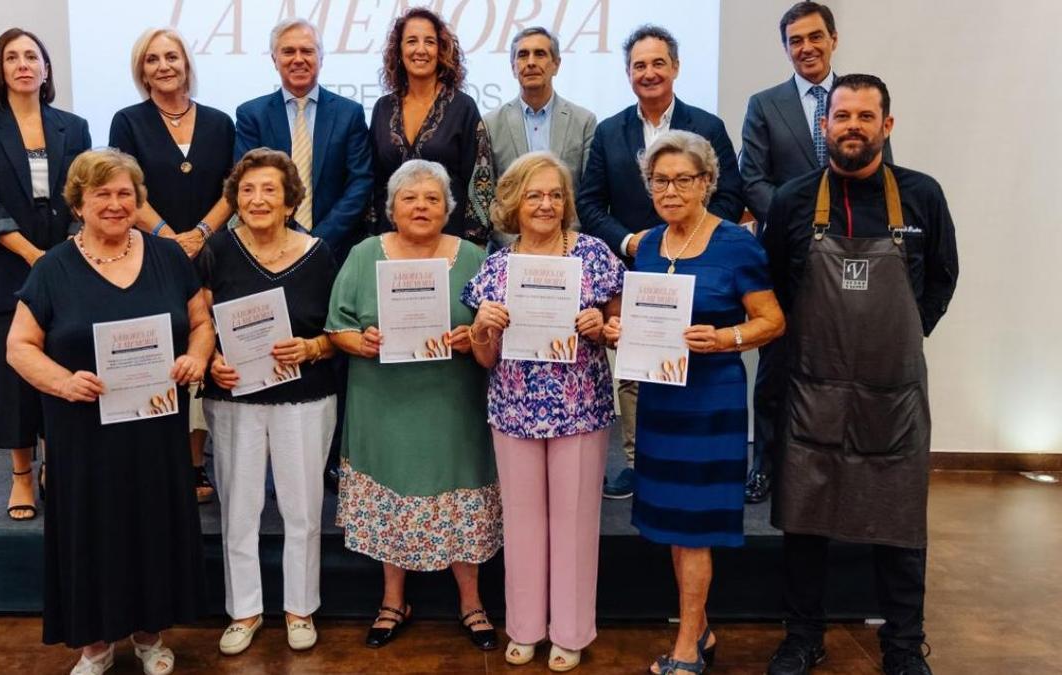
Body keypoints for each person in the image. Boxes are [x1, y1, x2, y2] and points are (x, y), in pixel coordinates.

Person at [763, 74, 957, 675]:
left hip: (891, 395)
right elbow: (776, 286)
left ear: (886, 126)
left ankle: (902, 644)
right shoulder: (793, 200)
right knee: (805, 521)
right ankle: (802, 638)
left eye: (865, 117)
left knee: (898, 523)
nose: (852, 126)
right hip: (812, 390)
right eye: (842, 116)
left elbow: (942, 278)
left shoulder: (922, 195)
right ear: (825, 128)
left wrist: (899, 336)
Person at [6, 149, 213, 675]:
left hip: (156, 430)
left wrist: (195, 357)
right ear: (78, 202)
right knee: (92, 531)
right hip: (83, 432)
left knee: (153, 526)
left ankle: (149, 636)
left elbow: (200, 322)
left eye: (125, 194)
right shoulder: (53, 267)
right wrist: (63, 381)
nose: (116, 204)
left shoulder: (168, 257)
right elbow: (20, 346)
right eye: (102, 194)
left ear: (139, 200)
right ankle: (95, 645)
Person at [603, 130, 784, 674]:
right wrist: (619, 330)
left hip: (712, 401)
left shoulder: (736, 244)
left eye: (684, 179)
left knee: (696, 527)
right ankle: (699, 628)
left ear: (707, 182)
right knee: (671, 526)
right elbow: (641, 316)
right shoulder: (650, 244)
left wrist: (726, 338)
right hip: (660, 400)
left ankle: (687, 645)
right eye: (660, 180)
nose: (671, 189)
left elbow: (772, 321)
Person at [327, 160, 501, 651]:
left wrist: (474, 335)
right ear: (391, 208)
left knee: (459, 492)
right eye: (409, 198)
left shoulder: (474, 256)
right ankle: (392, 601)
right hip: (384, 404)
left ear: (448, 208)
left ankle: (471, 602)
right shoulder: (364, 254)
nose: (421, 206)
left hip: (452, 404)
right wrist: (360, 341)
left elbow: (493, 330)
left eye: (431, 198)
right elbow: (335, 327)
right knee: (392, 500)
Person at [464, 152, 623, 672]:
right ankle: (527, 627)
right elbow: (485, 357)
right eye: (534, 194)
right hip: (513, 408)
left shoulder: (595, 255)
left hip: (580, 409)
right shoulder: (496, 266)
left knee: (576, 521)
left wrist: (603, 324)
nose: (547, 204)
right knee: (524, 522)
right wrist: (482, 328)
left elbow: (622, 325)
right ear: (514, 202)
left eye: (556, 194)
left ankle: (571, 632)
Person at [577, 24, 745, 499]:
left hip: (702, 270)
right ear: (628, 74)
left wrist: (699, 239)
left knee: (697, 357)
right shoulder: (610, 132)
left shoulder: (707, 126)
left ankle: (697, 456)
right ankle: (637, 460)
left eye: (657, 63)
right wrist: (630, 242)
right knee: (634, 366)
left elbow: (730, 195)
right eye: (638, 65)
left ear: (675, 68)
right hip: (641, 268)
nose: (648, 73)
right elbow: (589, 204)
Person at [737, 2, 892, 503]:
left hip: (854, 254)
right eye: (794, 40)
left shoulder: (861, 99)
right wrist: (798, 222)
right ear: (785, 48)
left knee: (844, 363)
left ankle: (843, 464)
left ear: (833, 39)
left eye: (814, 37)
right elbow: (753, 179)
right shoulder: (765, 103)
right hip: (786, 255)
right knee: (777, 364)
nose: (805, 47)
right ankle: (765, 460)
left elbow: (879, 171)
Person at [198, 149, 339, 655]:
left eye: (269, 190)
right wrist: (210, 357)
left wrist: (312, 347)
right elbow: (197, 322)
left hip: (304, 398)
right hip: (234, 397)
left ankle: (300, 609)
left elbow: (336, 331)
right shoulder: (216, 251)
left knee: (303, 508)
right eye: (248, 190)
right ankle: (245, 611)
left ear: (289, 200)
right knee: (240, 507)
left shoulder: (319, 252)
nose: (257, 200)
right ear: (235, 198)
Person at [0, 27, 91, 521]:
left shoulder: (72, 127)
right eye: (11, 57)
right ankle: (21, 476)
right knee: (10, 376)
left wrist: (60, 253)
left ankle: (58, 465)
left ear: (47, 68)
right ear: (0, 69)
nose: (23, 64)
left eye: (32, 56)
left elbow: (83, 196)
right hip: (1, 268)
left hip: (66, 266)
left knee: (62, 363)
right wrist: (33, 254)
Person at [109, 27, 235, 505]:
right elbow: (126, 187)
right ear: (141, 70)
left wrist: (201, 233)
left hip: (212, 251)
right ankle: (157, 455)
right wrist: (166, 237)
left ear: (187, 64)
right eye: (152, 59)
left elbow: (232, 187)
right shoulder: (128, 121)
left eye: (172, 57)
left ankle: (195, 461)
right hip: (150, 252)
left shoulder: (221, 122)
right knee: (160, 347)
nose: (163, 66)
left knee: (203, 346)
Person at [234, 18, 373, 260]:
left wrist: (319, 240)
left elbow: (360, 183)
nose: (298, 59)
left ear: (321, 58)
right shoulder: (251, 115)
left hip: (335, 250)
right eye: (288, 51)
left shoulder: (349, 113)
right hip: (268, 250)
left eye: (307, 51)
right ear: (274, 60)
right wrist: (284, 239)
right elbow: (244, 182)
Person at [370, 7, 495, 246]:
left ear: (441, 50)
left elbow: (480, 182)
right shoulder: (382, 108)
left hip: (450, 241)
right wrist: (375, 237)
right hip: (392, 243)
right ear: (399, 51)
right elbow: (374, 182)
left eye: (429, 42)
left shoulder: (463, 107)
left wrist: (474, 243)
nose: (420, 50)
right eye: (411, 41)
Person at [483, 27, 597, 248]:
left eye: (540, 54)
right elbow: (488, 197)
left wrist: (562, 244)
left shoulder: (583, 122)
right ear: (513, 68)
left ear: (556, 64)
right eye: (523, 55)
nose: (531, 62)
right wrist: (518, 245)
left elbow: (587, 197)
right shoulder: (490, 124)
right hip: (510, 249)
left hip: (567, 249)